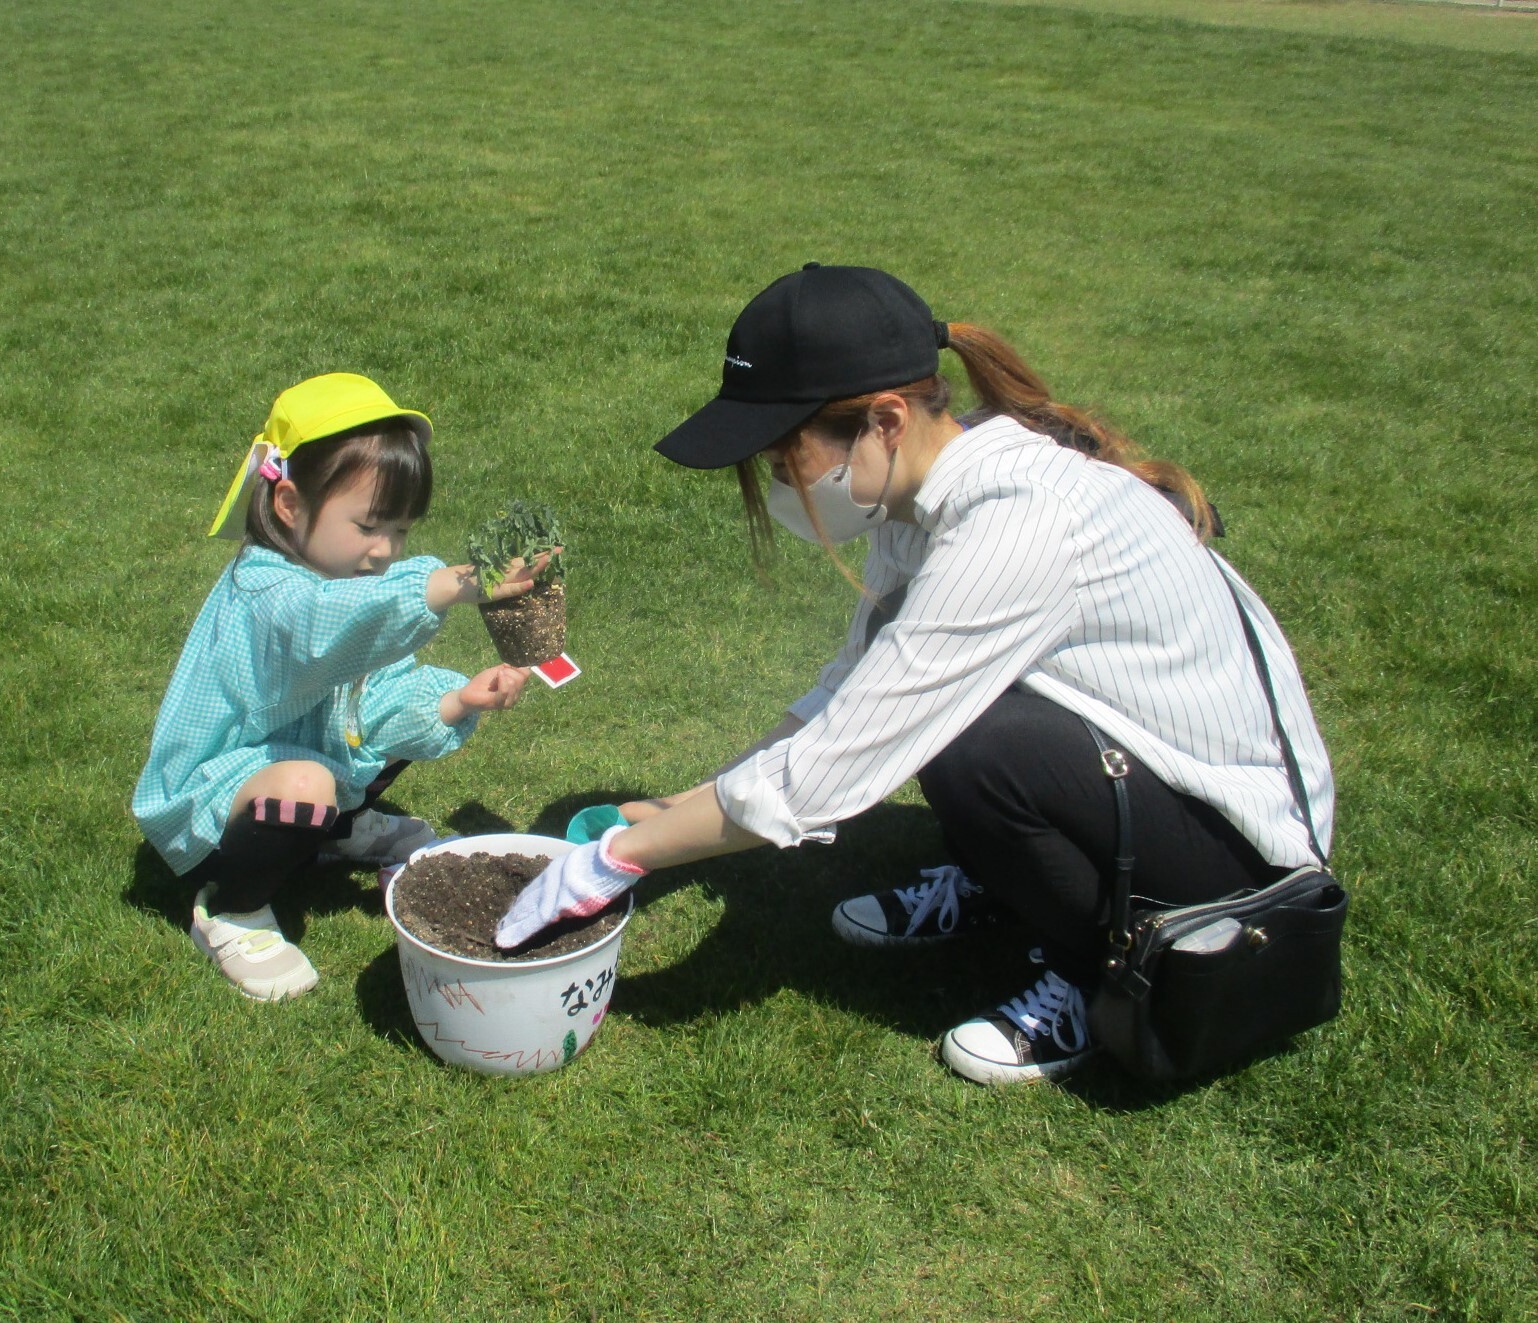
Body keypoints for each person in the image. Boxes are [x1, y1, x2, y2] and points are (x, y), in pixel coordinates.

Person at [496, 264, 1335, 1085]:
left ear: (886, 420)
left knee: (977, 742)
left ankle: (1093, 968)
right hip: (1132, 774)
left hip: (1242, 865)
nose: (784, 485)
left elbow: (836, 764)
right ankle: (1009, 884)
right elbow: (851, 687)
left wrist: (617, 858)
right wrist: (686, 801)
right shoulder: (923, 485)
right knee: (951, 716)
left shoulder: (1014, 525)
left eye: (787, 457)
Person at [134, 372, 546, 1002]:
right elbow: (324, 624)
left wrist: (459, 699)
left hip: (295, 764)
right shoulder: (267, 590)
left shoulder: (342, 589)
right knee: (307, 783)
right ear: (290, 504)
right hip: (211, 805)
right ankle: (233, 909)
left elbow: (374, 705)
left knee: (356, 747)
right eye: (370, 526)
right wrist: (454, 583)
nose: (386, 551)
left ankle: (332, 830)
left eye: (402, 531)